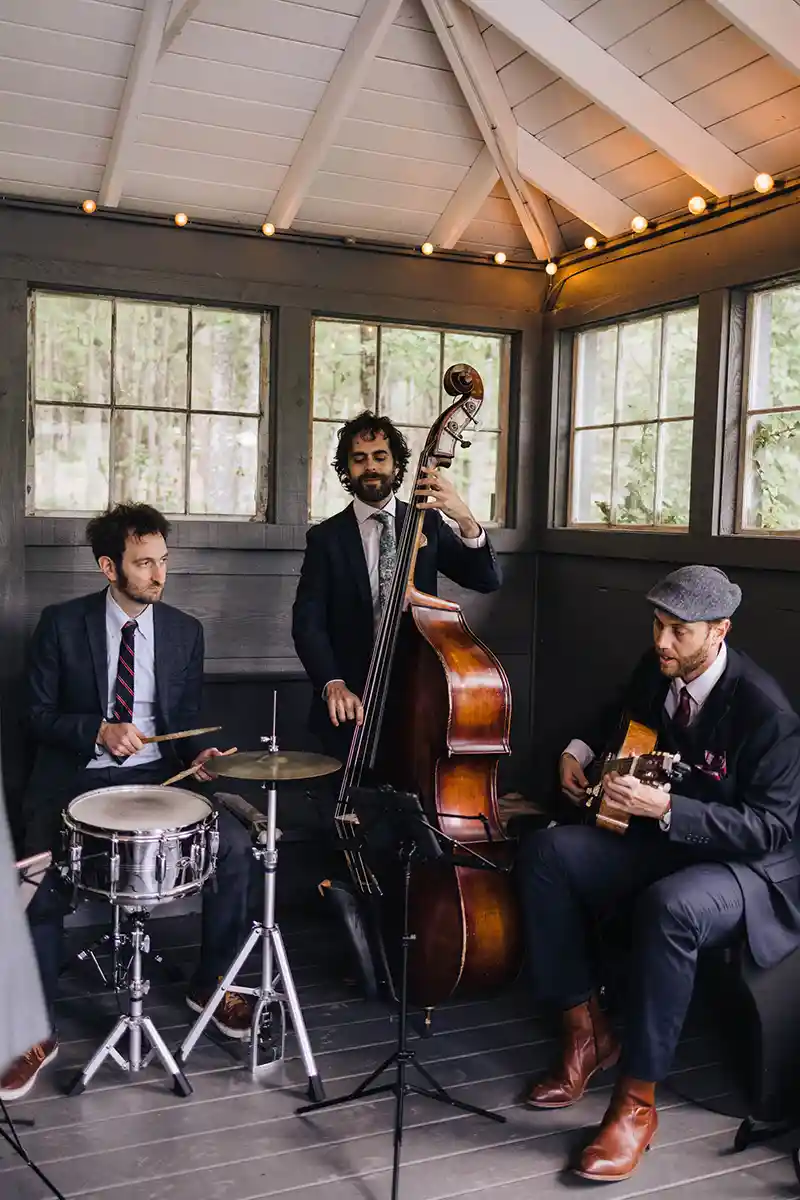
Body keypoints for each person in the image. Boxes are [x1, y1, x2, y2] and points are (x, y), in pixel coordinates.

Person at [519, 565, 800, 1182]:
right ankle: (586, 1034)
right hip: (667, 841)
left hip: (747, 869)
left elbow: (772, 829)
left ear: (720, 631)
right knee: (547, 854)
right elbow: (618, 714)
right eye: (657, 624)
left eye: (679, 631)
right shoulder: (659, 669)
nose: (662, 642)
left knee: (671, 907)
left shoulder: (767, 712)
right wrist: (577, 751)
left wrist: (668, 807)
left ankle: (636, 1104)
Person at [0, 504, 255, 1102]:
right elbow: (34, 716)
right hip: (75, 778)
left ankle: (212, 984)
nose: (158, 574)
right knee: (36, 874)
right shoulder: (61, 624)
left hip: (159, 778)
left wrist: (201, 756)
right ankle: (33, 1032)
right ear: (109, 566)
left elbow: (184, 722)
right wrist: (98, 730)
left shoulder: (185, 632)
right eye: (144, 563)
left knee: (236, 847)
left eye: (163, 560)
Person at [292, 411, 502, 760]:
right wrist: (333, 683)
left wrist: (464, 518)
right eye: (359, 459)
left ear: (397, 465)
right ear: (346, 469)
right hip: (354, 700)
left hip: (422, 692)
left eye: (380, 457)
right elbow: (307, 623)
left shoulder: (428, 522)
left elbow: (486, 580)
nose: (370, 467)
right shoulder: (326, 538)